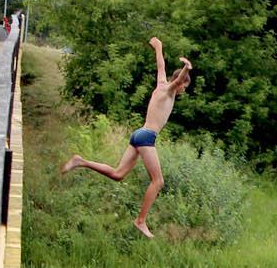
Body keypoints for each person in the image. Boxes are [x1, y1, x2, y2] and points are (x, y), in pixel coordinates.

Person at [60, 37, 192, 239]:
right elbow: (176, 81)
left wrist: (159, 47)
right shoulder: (168, 90)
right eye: (185, 86)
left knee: (118, 174)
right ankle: (140, 221)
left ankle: (81, 161)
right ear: (181, 83)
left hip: (138, 135)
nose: (183, 90)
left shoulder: (161, 85)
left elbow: (161, 66)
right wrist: (187, 69)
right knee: (158, 182)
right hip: (146, 137)